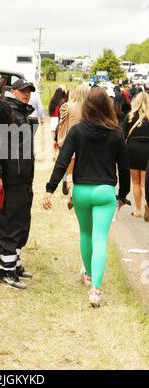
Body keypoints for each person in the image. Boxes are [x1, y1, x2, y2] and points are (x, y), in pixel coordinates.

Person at [43, 89, 130, 306]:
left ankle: (89, 274)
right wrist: (122, 195)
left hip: (81, 190)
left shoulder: (77, 131)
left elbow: (62, 161)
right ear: (108, 107)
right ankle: (95, 291)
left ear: (86, 107)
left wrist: (49, 189)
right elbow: (124, 169)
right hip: (104, 191)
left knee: (85, 234)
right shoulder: (117, 133)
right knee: (100, 238)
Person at [0, 79, 36, 289]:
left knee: (22, 222)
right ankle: (4, 271)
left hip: (24, 178)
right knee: (10, 224)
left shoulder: (23, 113)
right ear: (12, 91)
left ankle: (14, 264)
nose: (26, 94)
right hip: (10, 178)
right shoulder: (5, 112)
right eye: (23, 91)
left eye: (29, 91)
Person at [56, 83, 89, 207]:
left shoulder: (67, 106)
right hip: (87, 144)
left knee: (69, 170)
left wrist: (60, 141)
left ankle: (70, 193)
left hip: (71, 141)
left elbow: (62, 125)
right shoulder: (91, 108)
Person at [122, 92, 149, 218]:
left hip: (132, 150)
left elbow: (123, 136)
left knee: (136, 182)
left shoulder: (130, 116)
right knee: (145, 183)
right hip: (147, 150)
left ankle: (138, 210)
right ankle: (148, 206)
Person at [48, 86, 67, 161]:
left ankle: (54, 154)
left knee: (53, 140)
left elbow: (50, 112)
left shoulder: (52, 101)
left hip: (53, 121)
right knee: (60, 140)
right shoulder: (63, 101)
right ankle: (59, 154)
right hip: (59, 120)